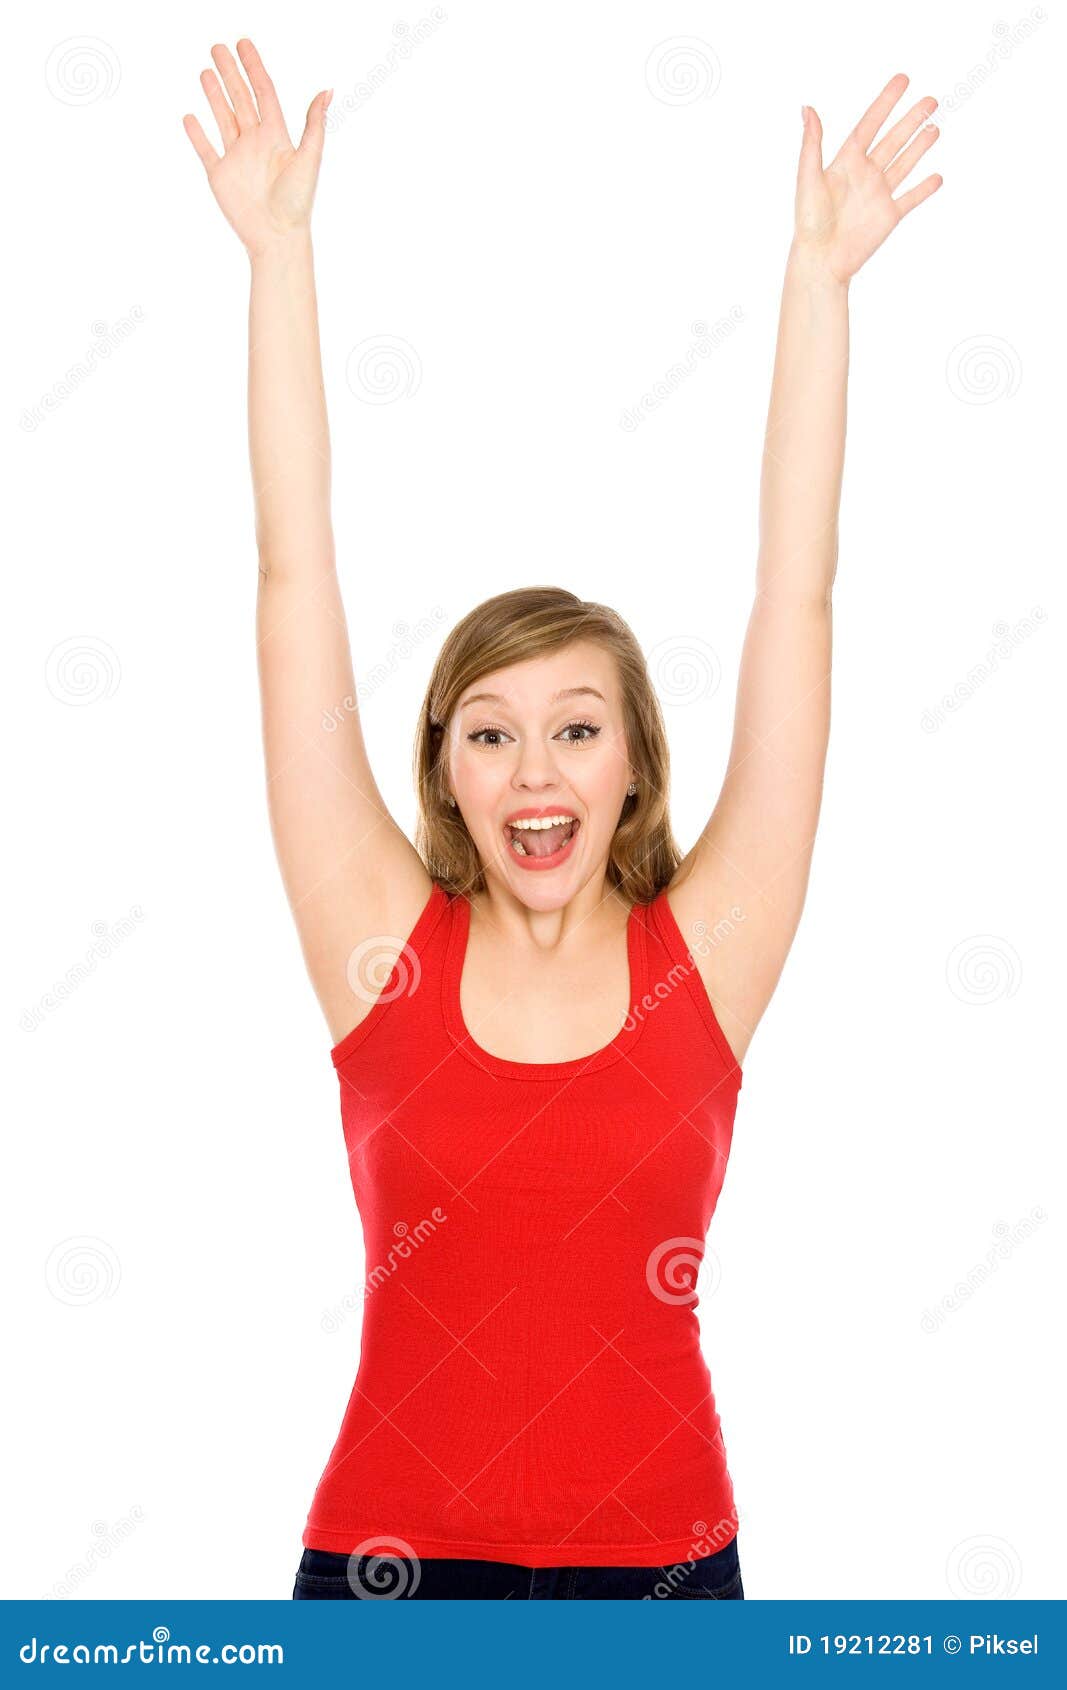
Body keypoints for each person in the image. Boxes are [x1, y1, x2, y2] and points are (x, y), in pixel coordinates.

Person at [183, 40, 942, 1601]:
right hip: (390, 1575)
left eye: (576, 730)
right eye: (493, 733)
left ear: (634, 764)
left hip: (660, 1577)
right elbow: (292, 579)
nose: (536, 772)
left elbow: (794, 597)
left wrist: (820, 283)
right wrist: (279, 256)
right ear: (446, 770)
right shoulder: (378, 952)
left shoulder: (709, 957)